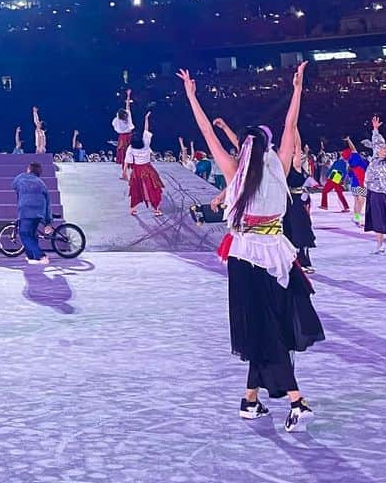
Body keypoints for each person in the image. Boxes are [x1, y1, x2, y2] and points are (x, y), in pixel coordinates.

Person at [179, 64, 322, 431]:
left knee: (263, 329)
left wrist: (192, 96)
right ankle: (287, 400)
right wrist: (297, 88)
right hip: (276, 253)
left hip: (246, 256)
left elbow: (206, 132)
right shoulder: (278, 166)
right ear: (269, 146)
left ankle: (255, 399)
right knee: (271, 328)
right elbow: (291, 126)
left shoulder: (234, 170)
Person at [283, 130, 316, 272]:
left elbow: (297, 146)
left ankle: (303, 261)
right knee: (287, 230)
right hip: (286, 202)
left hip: (297, 202)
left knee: (300, 231)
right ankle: (290, 260)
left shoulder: (296, 166)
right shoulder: (283, 166)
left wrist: (294, 129)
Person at [12, 159, 52, 264]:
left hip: (26, 210)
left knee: (24, 234)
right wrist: (48, 222)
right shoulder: (41, 183)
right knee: (32, 234)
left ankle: (41, 256)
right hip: (39, 211)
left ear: (29, 169)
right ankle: (31, 257)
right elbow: (48, 202)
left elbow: (13, 185)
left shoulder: (21, 177)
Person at [124, 116, 163, 217]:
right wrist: (146, 119)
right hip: (147, 169)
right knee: (152, 188)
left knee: (135, 189)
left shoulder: (130, 148)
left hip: (136, 170)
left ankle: (133, 209)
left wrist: (124, 173)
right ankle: (156, 210)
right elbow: (146, 130)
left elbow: (127, 161)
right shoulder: (146, 143)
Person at [365, 116, 386, 254]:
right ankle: (380, 245)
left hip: (385, 193)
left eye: (384, 149)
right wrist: (375, 129)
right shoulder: (375, 157)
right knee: (378, 219)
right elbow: (377, 142)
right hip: (374, 192)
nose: (381, 149)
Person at [112, 91, 134, 178]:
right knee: (129, 155)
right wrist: (128, 95)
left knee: (124, 155)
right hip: (129, 136)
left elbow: (114, 123)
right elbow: (127, 106)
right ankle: (127, 173)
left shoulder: (117, 120)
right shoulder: (128, 116)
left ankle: (125, 173)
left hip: (123, 138)